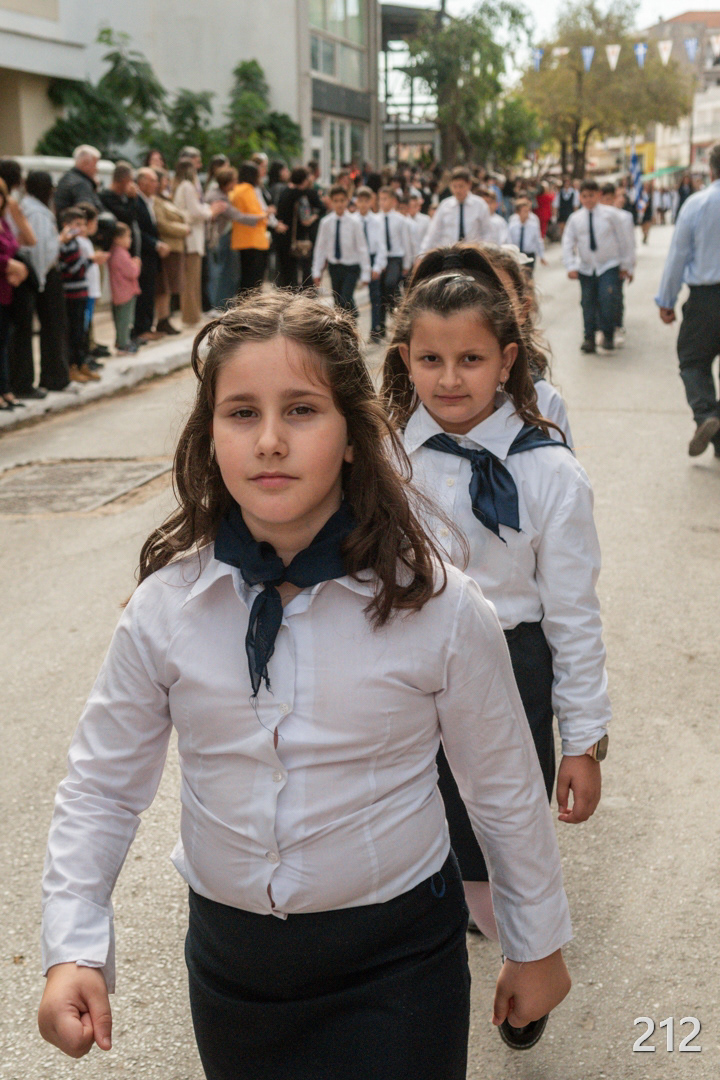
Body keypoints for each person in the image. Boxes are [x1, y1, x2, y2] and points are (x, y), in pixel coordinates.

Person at [38, 289, 572, 1079]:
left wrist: (536, 943)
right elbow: (101, 788)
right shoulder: (166, 608)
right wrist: (72, 948)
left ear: (353, 436)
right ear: (210, 436)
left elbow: (502, 787)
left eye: (302, 411)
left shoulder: (439, 607)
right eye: (242, 413)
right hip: (233, 973)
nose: (270, 441)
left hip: (399, 965)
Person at [382, 246, 609, 1046]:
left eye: (472, 360)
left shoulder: (550, 473)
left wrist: (584, 741)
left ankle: (527, 960)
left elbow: (574, 616)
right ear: (404, 358)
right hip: (404, 667)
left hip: (513, 668)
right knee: (413, 830)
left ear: (508, 360)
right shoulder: (381, 458)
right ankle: (421, 983)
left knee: (503, 830)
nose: (450, 379)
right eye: (431, 360)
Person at [656, 142, 720, 458]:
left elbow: (678, 256)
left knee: (693, 362)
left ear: (711, 169)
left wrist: (666, 300)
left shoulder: (697, 204)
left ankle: (707, 414)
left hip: (706, 299)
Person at [482, 242, 573, 446]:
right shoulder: (433, 386)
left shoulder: (542, 400)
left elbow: (560, 461)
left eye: (500, 300)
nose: (484, 312)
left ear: (523, 309)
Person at [562, 179, 633, 355]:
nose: (588, 199)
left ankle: (608, 334)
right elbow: (568, 242)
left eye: (591, 195)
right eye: (584, 196)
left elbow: (624, 240)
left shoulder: (611, 215)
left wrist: (626, 264)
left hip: (608, 265)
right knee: (587, 302)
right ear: (580, 197)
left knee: (607, 299)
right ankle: (589, 338)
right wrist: (570, 265)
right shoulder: (575, 218)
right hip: (586, 267)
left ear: (599, 195)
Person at [16, 171, 70, 394]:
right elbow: (39, 250)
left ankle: (54, 376)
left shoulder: (30, 207)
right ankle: (53, 377)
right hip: (44, 275)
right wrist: (40, 280)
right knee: (53, 327)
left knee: (52, 327)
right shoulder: (36, 212)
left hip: (41, 275)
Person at [312, 184, 370, 318]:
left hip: (351, 267)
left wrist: (366, 272)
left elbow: (362, 248)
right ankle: (349, 320)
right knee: (338, 302)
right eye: (336, 201)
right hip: (334, 267)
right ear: (331, 202)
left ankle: (352, 316)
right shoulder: (326, 222)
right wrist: (316, 271)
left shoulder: (355, 222)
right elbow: (320, 248)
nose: (339, 204)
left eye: (342, 200)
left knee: (345, 298)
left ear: (347, 200)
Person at [57, 206, 99, 383]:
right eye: (77, 224)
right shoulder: (66, 244)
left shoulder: (76, 243)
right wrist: (90, 261)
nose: (81, 228)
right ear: (65, 225)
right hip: (71, 294)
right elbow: (72, 270)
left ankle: (81, 364)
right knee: (73, 332)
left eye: (83, 224)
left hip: (82, 291)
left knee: (81, 331)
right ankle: (72, 367)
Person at [0, 177, 29, 410]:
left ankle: (5, 389)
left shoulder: (4, 222)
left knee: (3, 342)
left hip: (7, 290)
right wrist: (9, 265)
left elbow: (17, 245)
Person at [419, 167, 491, 256]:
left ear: (469, 184)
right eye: (454, 186)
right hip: (449, 255)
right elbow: (433, 232)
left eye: (461, 186)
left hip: (473, 254)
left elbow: (488, 232)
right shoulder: (445, 205)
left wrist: (486, 253)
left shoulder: (480, 205)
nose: (457, 190)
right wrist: (422, 254)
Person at [133, 168, 170, 341]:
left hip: (151, 255)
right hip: (144, 254)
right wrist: (156, 244)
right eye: (153, 181)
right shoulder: (137, 201)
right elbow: (139, 230)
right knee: (144, 292)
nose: (157, 184)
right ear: (142, 182)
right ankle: (142, 329)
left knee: (150, 291)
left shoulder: (149, 200)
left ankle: (148, 327)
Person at [153, 169, 191, 335]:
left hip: (175, 247)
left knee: (169, 287)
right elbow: (162, 223)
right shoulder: (156, 201)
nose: (167, 183)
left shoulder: (165, 198)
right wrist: (183, 229)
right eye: (164, 180)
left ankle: (165, 318)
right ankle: (162, 319)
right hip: (167, 247)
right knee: (164, 287)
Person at [600, 183, 636, 346]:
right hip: (602, 264)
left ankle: (617, 326)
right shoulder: (596, 216)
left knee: (616, 296)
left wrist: (629, 266)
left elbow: (629, 243)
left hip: (618, 263)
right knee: (602, 298)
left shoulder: (624, 217)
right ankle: (602, 329)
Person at [77, 203, 110, 372]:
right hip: (84, 291)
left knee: (87, 325)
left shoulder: (86, 241)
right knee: (82, 327)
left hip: (91, 291)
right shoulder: (79, 243)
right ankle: (83, 358)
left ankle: (87, 356)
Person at [230, 161, 271, 297]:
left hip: (241, 239)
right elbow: (256, 213)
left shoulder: (236, 189)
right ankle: (250, 306)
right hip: (254, 240)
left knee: (245, 278)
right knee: (253, 281)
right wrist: (266, 214)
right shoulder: (247, 190)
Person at [204, 166, 242, 309]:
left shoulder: (218, 194)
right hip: (219, 238)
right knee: (221, 273)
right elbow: (237, 215)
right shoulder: (218, 197)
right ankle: (219, 304)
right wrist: (261, 217)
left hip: (221, 237)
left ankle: (221, 303)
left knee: (222, 272)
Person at [274, 167, 317, 291]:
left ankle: (283, 296)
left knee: (284, 273)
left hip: (281, 236)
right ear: (304, 180)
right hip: (294, 241)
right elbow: (305, 220)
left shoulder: (284, 192)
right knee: (293, 274)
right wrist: (315, 216)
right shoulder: (301, 196)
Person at [378, 186, 412, 338]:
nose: (382, 202)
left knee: (391, 283)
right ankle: (381, 325)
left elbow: (406, 242)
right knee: (380, 291)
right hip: (380, 257)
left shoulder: (400, 220)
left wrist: (407, 264)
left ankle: (395, 309)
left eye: (385, 199)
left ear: (393, 201)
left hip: (395, 257)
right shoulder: (376, 219)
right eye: (380, 199)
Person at [354, 185, 386, 341]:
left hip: (372, 258)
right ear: (356, 202)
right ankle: (352, 330)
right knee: (349, 296)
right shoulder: (352, 220)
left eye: (366, 201)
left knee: (375, 296)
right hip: (355, 260)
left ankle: (375, 329)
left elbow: (381, 245)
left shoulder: (377, 221)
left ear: (371, 202)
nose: (363, 204)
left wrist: (378, 266)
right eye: (360, 201)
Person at [107, 223, 142, 354]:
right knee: (125, 320)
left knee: (119, 319)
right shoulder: (121, 254)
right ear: (117, 238)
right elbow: (132, 272)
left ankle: (120, 341)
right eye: (127, 237)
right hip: (125, 292)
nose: (130, 240)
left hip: (118, 292)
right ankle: (123, 345)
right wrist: (136, 264)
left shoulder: (113, 251)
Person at [100, 162, 141, 256]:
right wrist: (132, 199)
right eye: (131, 180)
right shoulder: (106, 197)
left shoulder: (124, 197)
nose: (133, 184)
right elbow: (127, 217)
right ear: (124, 180)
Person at [54, 146, 104, 221]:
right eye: (95, 164)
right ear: (85, 163)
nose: (97, 169)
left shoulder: (66, 178)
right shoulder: (81, 184)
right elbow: (87, 212)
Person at [507, 198, 546, 274]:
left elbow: (538, 240)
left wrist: (541, 256)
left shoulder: (533, 225)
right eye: (524, 211)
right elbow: (509, 241)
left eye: (528, 211)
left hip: (529, 254)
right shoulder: (512, 226)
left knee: (528, 275)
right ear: (518, 212)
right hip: (517, 254)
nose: (527, 214)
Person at [406, 190, 431, 261]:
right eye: (410, 206)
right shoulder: (403, 220)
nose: (412, 208)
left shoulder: (426, 220)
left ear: (419, 207)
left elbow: (428, 238)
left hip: (423, 255)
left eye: (415, 206)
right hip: (408, 255)